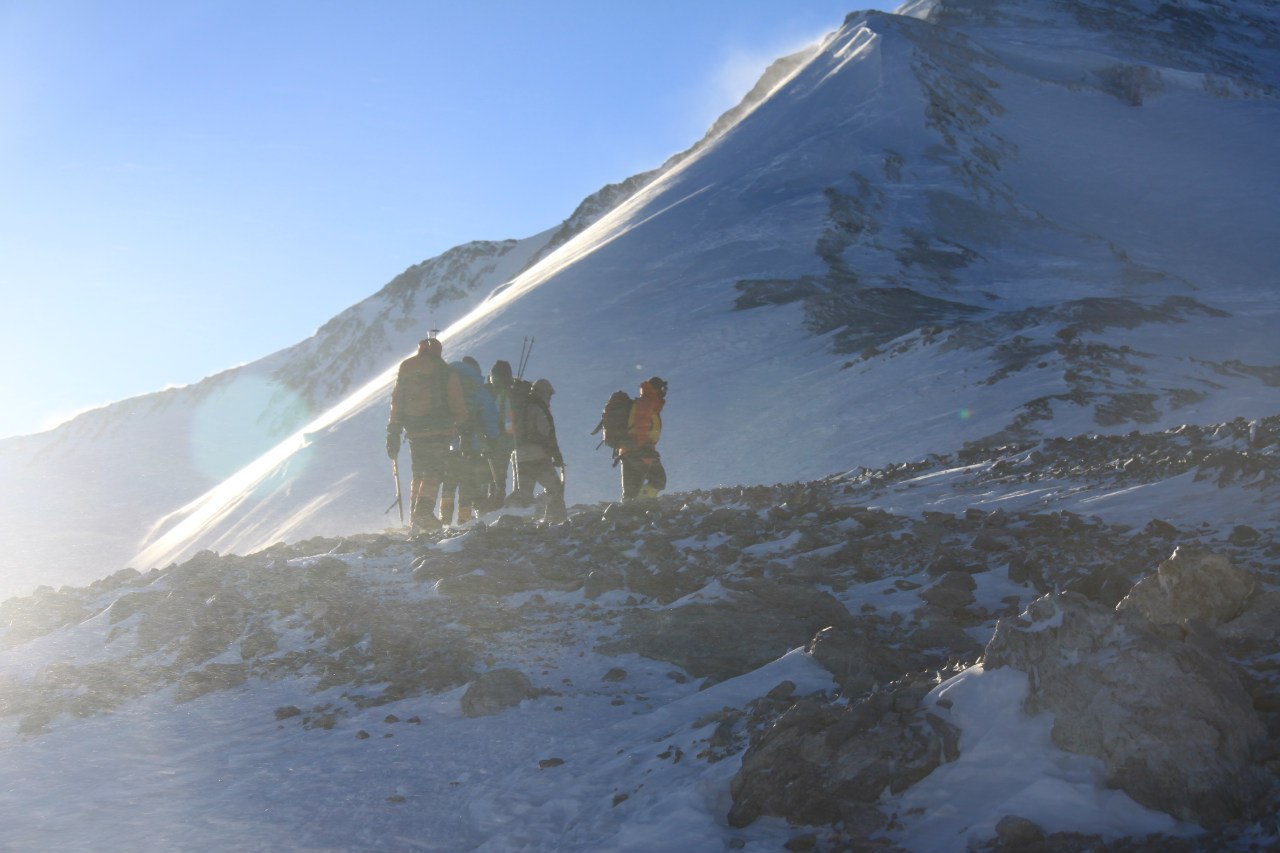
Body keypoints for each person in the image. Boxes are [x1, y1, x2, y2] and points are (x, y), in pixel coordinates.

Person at [386, 337, 468, 532]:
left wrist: (394, 430)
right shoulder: (445, 371)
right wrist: (463, 424)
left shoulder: (407, 369)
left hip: (413, 431)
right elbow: (456, 401)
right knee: (434, 471)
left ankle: (416, 516)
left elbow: (397, 401)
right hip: (439, 429)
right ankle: (423, 513)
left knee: (419, 472)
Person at [440, 356, 499, 526]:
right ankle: (463, 520)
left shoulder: (447, 384)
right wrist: (493, 438)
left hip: (450, 444)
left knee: (449, 483)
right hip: (473, 445)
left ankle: (444, 519)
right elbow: (489, 414)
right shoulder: (477, 387)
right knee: (467, 484)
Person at [507, 377, 566, 522]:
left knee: (524, 493)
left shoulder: (517, 408)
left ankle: (512, 520)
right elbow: (546, 434)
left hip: (519, 457)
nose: (550, 398)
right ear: (543, 393)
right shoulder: (538, 408)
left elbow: (508, 430)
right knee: (555, 487)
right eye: (549, 394)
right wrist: (556, 455)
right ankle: (555, 519)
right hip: (538, 456)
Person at [618, 376, 667, 501]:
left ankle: (633, 511)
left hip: (631, 450)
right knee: (657, 480)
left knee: (632, 490)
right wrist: (643, 449)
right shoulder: (646, 403)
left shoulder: (648, 403)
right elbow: (641, 426)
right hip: (639, 451)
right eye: (662, 388)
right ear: (656, 389)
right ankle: (637, 509)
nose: (664, 392)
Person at [484, 359, 517, 510]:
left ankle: (494, 498)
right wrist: (509, 434)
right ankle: (497, 496)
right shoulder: (508, 394)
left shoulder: (489, 393)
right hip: (502, 437)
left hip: (491, 437)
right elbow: (509, 417)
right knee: (499, 469)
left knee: (493, 469)